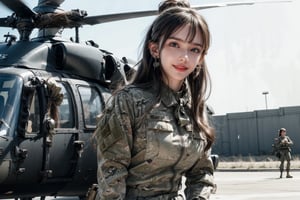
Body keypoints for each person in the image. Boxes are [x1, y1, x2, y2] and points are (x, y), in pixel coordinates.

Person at [94, 2, 216, 200]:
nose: (184, 57)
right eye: (174, 44)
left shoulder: (197, 110)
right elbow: (112, 176)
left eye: (194, 49)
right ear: (154, 49)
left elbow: (202, 174)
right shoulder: (128, 101)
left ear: (201, 57)